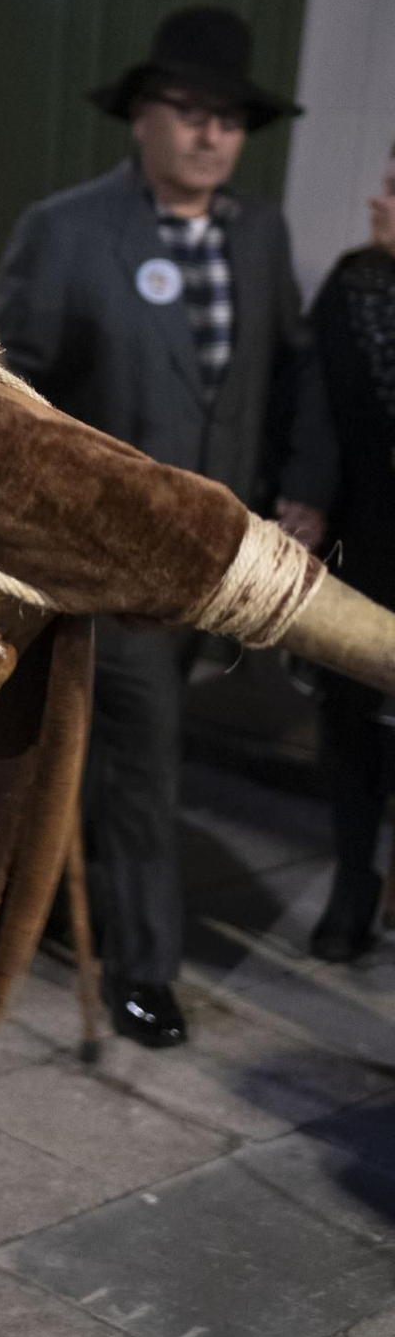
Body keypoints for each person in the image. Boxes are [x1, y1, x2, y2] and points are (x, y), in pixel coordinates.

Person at [0, 7, 330, 1049]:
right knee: (144, 754)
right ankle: (145, 968)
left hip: (219, 564)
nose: (210, 134)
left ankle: (49, 906)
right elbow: (10, 391)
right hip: (106, 561)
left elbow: (289, 374)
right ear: (141, 114)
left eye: (229, 117)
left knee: (113, 748)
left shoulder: (259, 235)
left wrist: (301, 491)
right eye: (188, 111)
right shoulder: (67, 229)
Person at [291, 145, 395, 960]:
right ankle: (354, 882)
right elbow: (316, 403)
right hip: (371, 539)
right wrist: (306, 502)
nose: (378, 201)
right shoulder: (356, 284)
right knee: (354, 720)